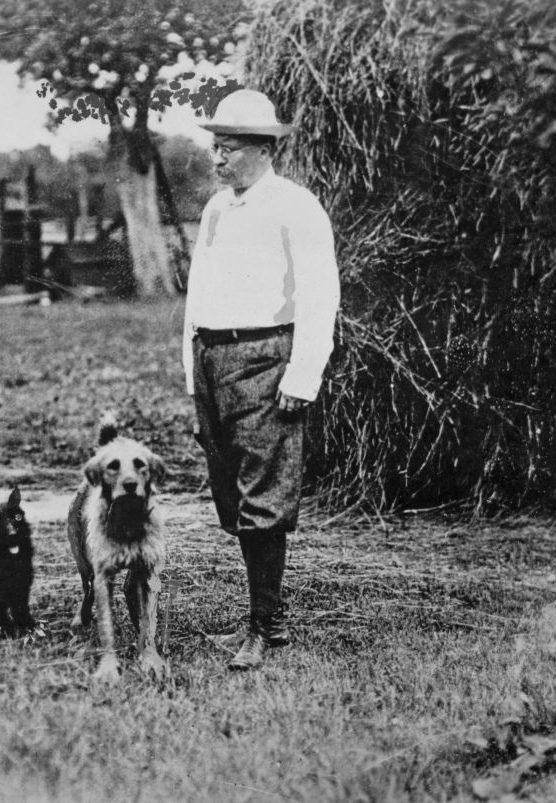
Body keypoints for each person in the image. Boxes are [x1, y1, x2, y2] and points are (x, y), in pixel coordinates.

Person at [183, 89, 340, 670]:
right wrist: (191, 373)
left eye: (226, 149)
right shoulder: (217, 210)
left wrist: (303, 374)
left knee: (263, 497)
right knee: (232, 496)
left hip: (265, 360)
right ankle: (258, 621)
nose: (217, 160)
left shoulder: (296, 207)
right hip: (214, 360)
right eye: (214, 148)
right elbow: (197, 298)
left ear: (263, 148)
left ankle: (267, 627)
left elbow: (320, 296)